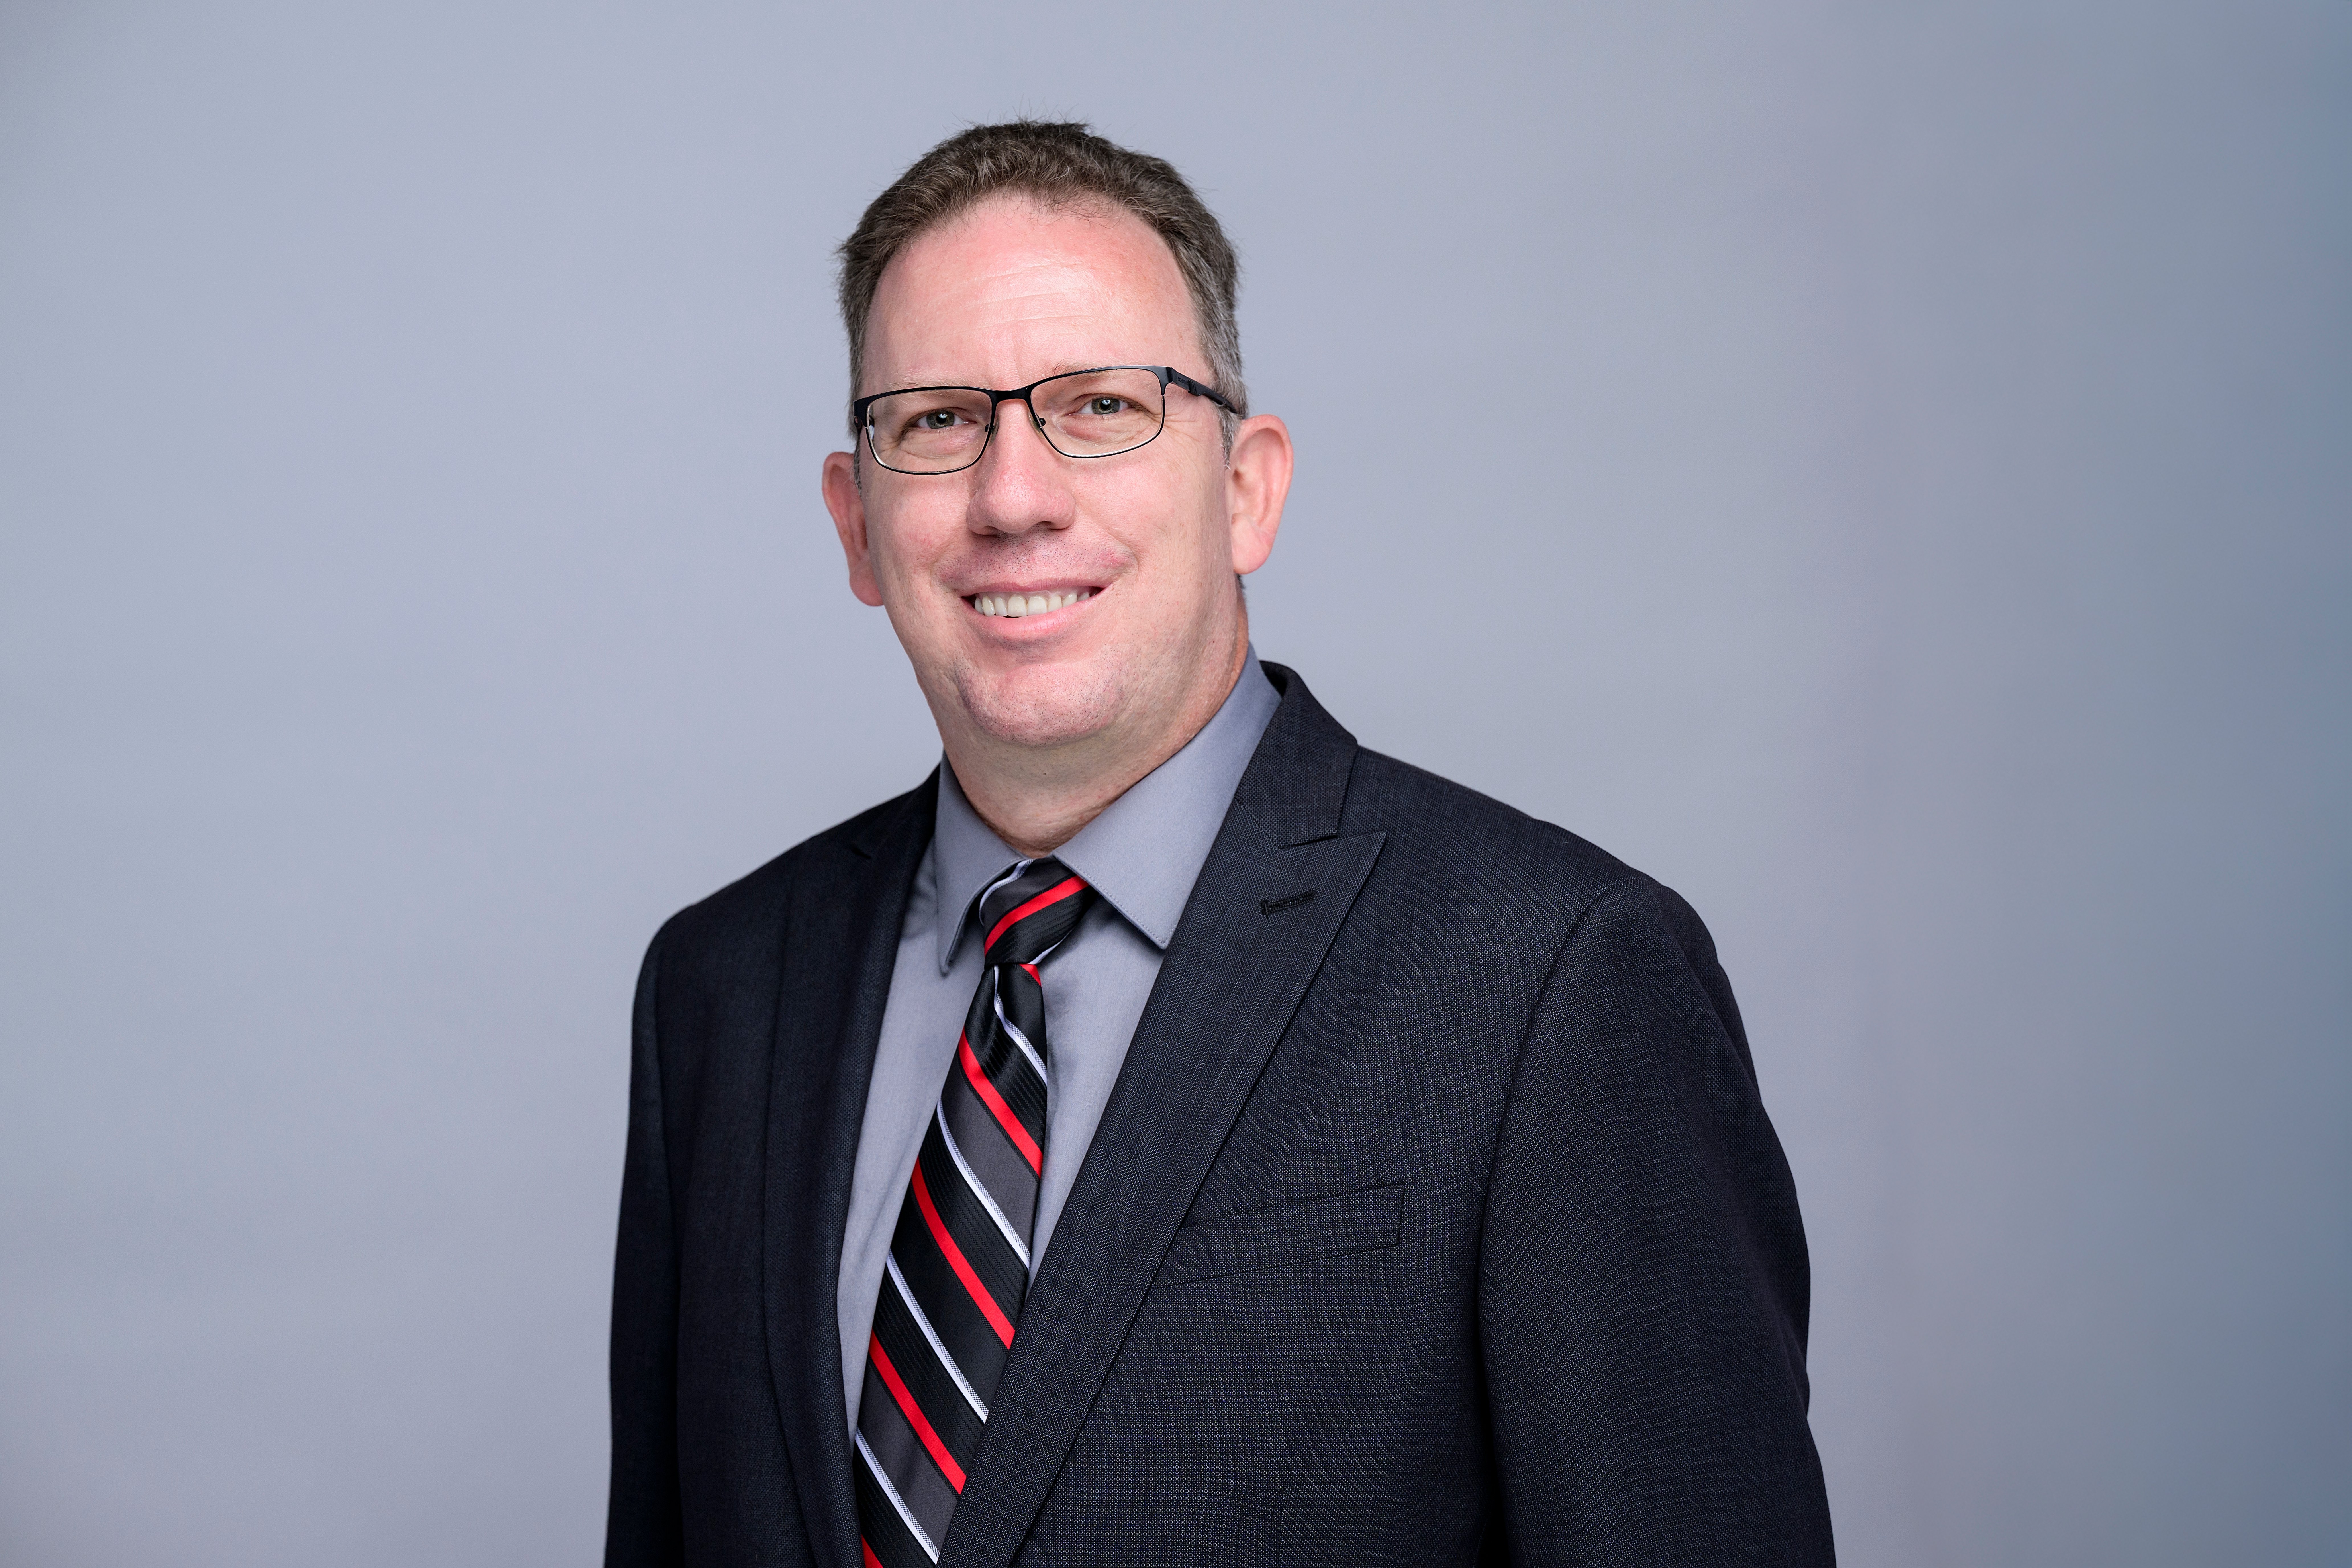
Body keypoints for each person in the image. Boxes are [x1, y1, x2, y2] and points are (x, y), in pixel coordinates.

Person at [604, 120, 1834, 1568]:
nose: (1014, 494)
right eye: (937, 420)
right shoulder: (723, 990)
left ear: (1248, 486)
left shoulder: (1550, 981)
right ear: (857, 525)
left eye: (1103, 404)